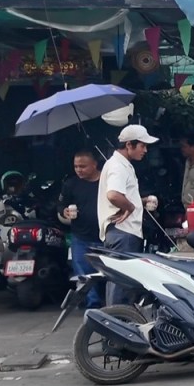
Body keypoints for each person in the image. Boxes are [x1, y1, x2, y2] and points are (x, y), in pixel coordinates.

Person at [99, 125, 158, 304]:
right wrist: (131, 208)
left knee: (123, 285)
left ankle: (119, 325)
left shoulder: (122, 164)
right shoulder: (118, 166)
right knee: (120, 286)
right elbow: (114, 195)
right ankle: (115, 327)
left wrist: (140, 200)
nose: (145, 150)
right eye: (142, 145)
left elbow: (122, 195)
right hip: (122, 233)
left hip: (123, 233)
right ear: (129, 145)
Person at [57, 151, 103, 308]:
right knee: (84, 275)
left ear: (94, 165)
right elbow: (61, 205)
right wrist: (64, 212)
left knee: (110, 275)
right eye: (76, 166)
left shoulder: (107, 181)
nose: (78, 170)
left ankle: (114, 305)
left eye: (83, 166)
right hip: (80, 237)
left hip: (106, 236)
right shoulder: (71, 184)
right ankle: (93, 306)